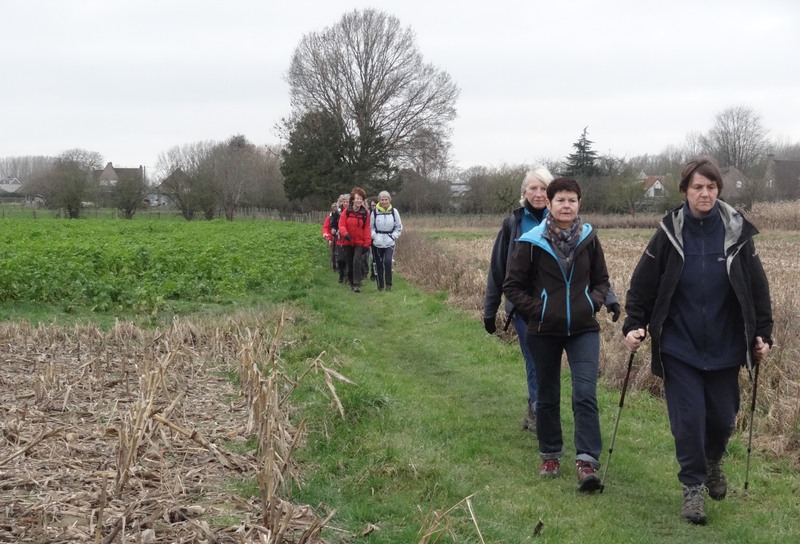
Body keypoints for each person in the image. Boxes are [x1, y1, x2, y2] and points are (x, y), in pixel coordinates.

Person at [622, 155, 773, 525]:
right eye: (697, 187)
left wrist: (763, 331)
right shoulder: (669, 233)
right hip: (679, 345)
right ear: (685, 191)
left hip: (725, 345)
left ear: (718, 189)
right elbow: (643, 284)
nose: (704, 193)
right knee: (689, 420)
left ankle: (713, 462)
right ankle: (693, 488)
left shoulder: (737, 232)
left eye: (710, 187)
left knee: (722, 419)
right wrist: (634, 323)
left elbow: (757, 288)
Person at [484, 168, 620, 434]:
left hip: (571, 312)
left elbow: (590, 271)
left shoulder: (569, 223)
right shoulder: (513, 224)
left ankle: (539, 408)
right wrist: (490, 309)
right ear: (524, 192)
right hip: (528, 310)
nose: (537, 193)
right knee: (536, 363)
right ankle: (538, 410)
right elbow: (499, 269)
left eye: (542, 188)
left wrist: (606, 299)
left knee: (560, 373)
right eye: (532, 188)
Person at [503, 177, 609, 493]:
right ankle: (550, 454)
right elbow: (512, 287)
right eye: (560, 199)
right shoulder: (532, 241)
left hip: (583, 329)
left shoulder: (589, 239)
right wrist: (540, 310)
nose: (566, 205)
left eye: (572, 200)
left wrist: (593, 302)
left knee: (585, 394)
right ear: (549, 203)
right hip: (543, 330)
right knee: (547, 396)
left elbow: (602, 281)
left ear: (579, 204)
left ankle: (587, 461)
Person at [338, 187, 371, 292]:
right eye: (357, 198)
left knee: (357, 261)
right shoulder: (346, 212)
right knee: (350, 262)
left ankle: (357, 284)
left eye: (361, 199)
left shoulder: (365, 213)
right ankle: (351, 281)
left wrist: (367, 243)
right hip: (348, 241)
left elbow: (366, 228)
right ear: (353, 199)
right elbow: (341, 224)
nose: (359, 201)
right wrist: (345, 234)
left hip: (359, 242)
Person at [371, 190, 403, 291]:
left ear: (389, 200)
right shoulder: (374, 212)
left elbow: (398, 226)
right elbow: (370, 227)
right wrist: (374, 236)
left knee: (388, 261)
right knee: (378, 264)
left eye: (386, 199)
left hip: (390, 241)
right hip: (377, 242)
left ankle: (389, 285)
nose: (384, 202)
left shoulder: (394, 212)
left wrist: (393, 236)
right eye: (382, 200)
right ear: (379, 201)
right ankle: (380, 286)